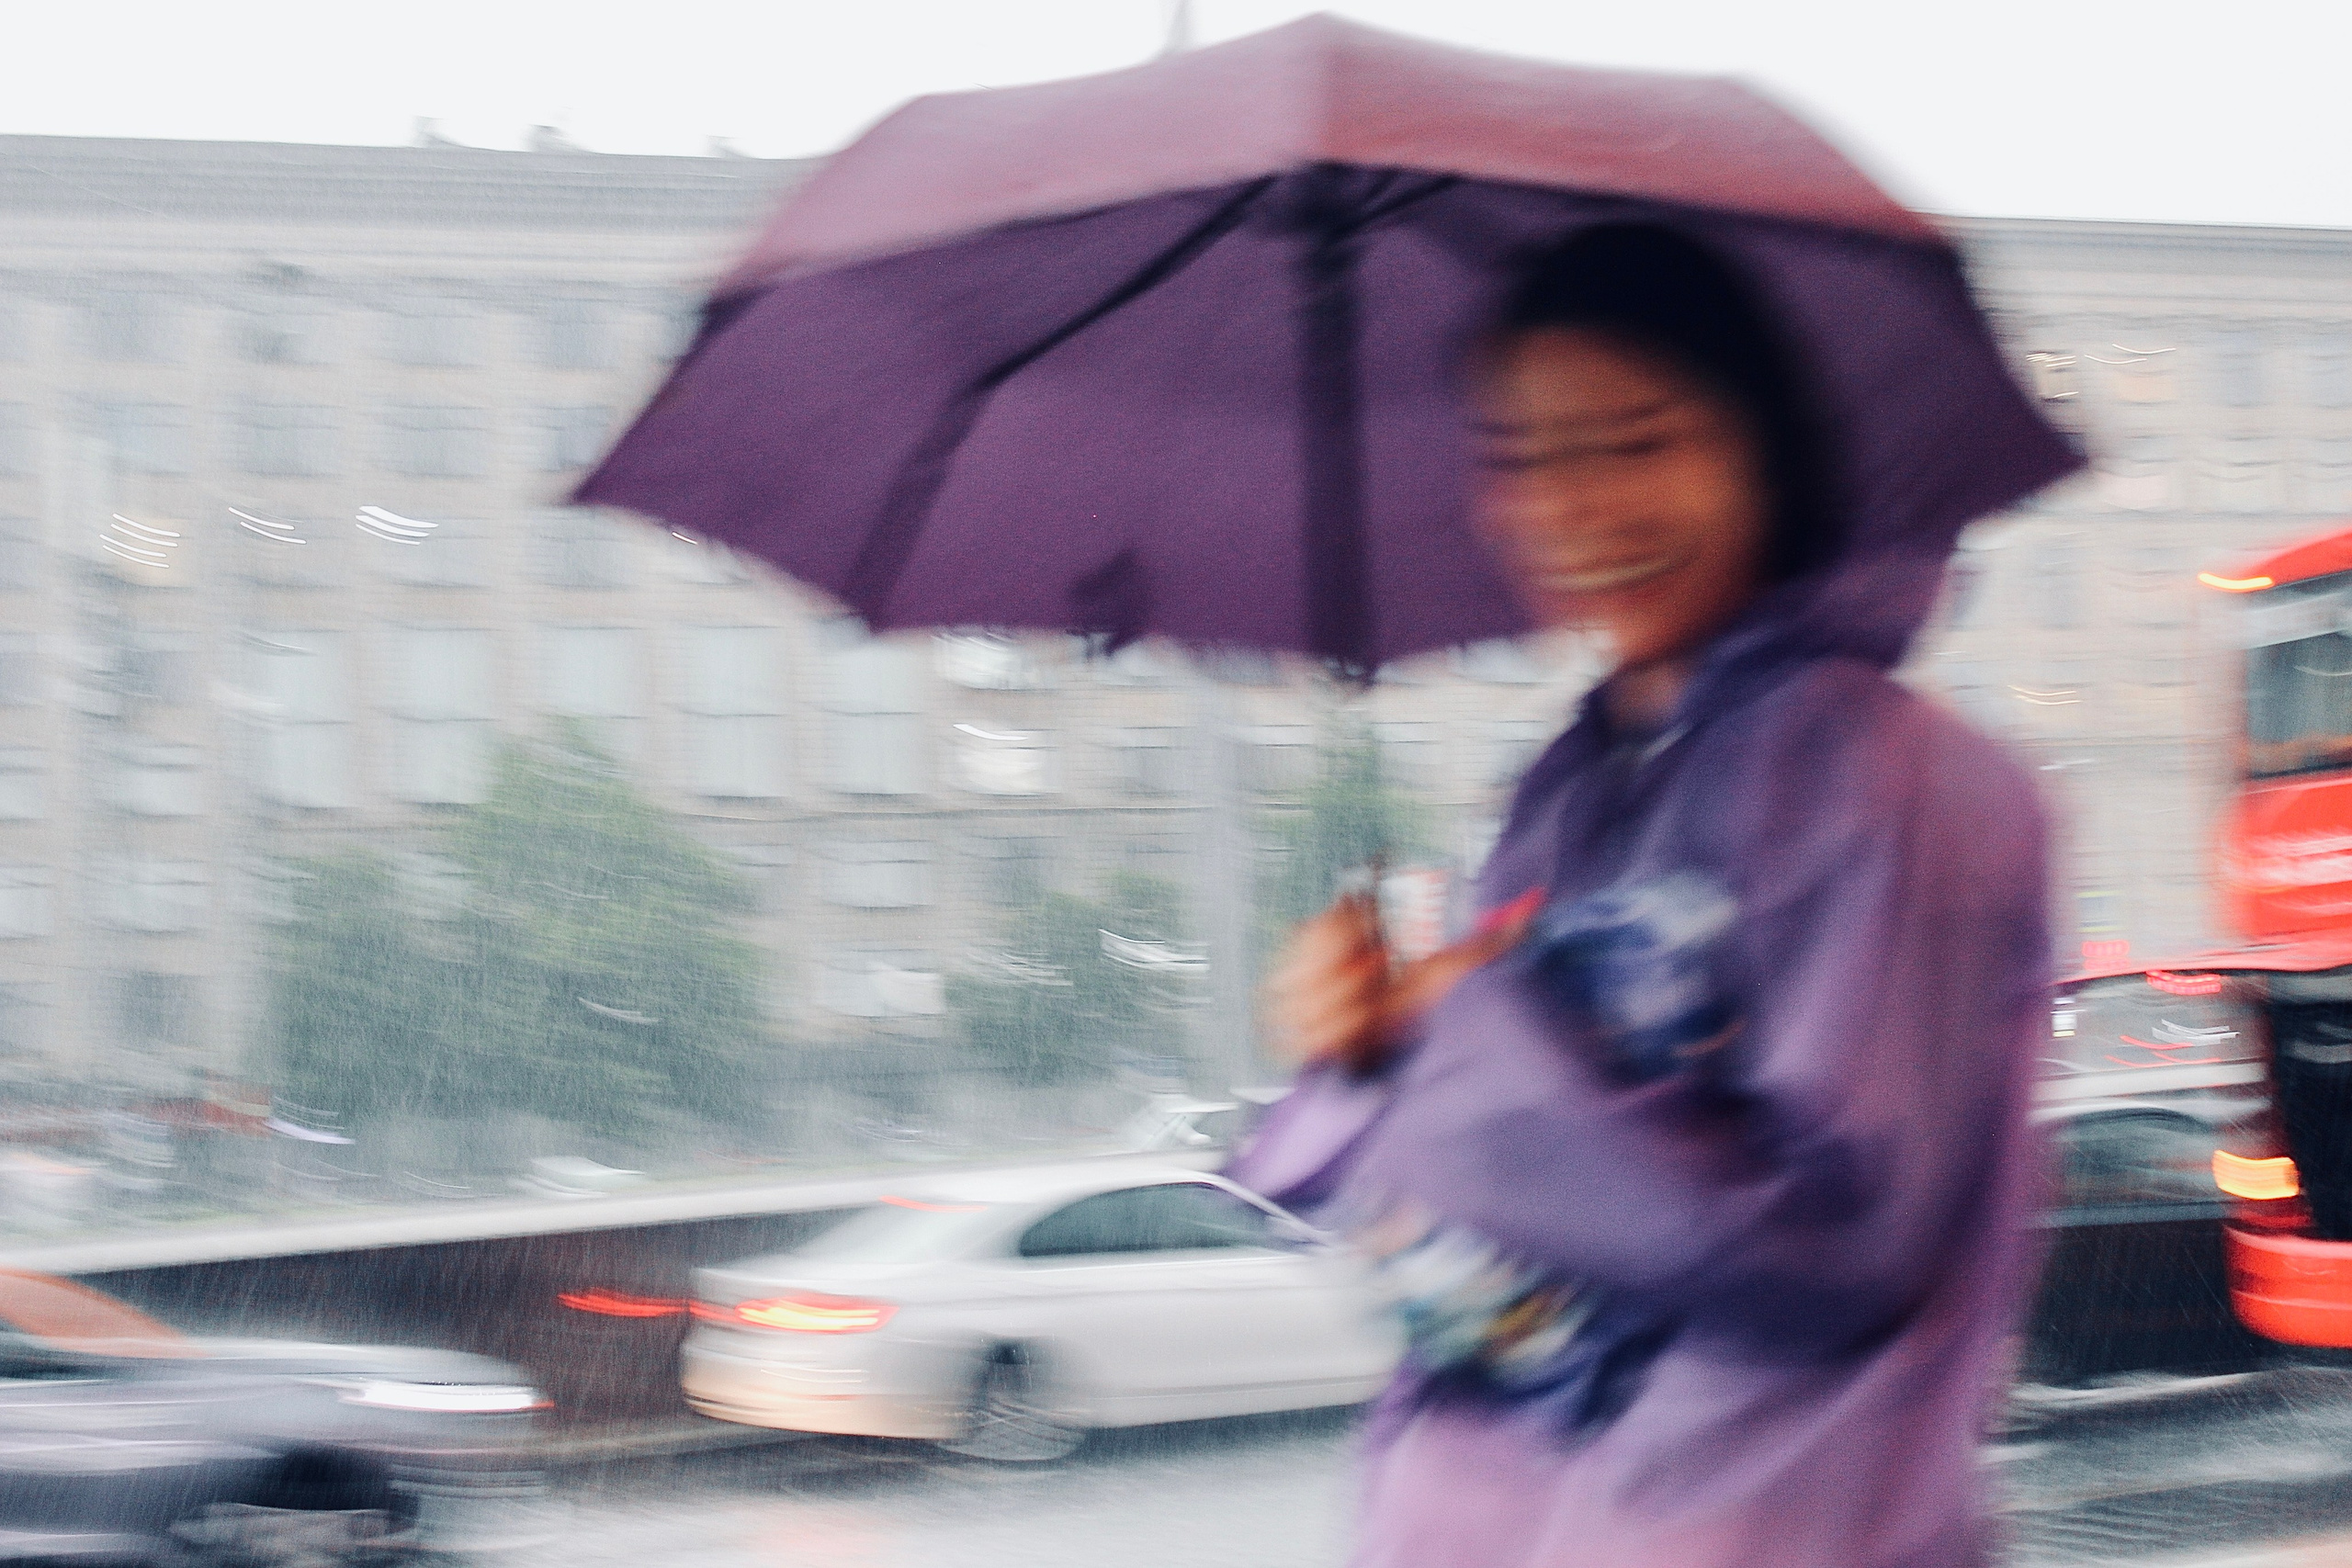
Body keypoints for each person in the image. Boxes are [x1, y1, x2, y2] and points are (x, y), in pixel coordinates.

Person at [1236, 223, 2051, 1568]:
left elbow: (1836, 1249)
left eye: (1636, 441)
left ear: (1766, 450)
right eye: (1519, 456)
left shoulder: (1891, 779)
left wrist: (1462, 1036)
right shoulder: (1570, 787)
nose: (1574, 506)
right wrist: (1368, 1052)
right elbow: (1488, 1239)